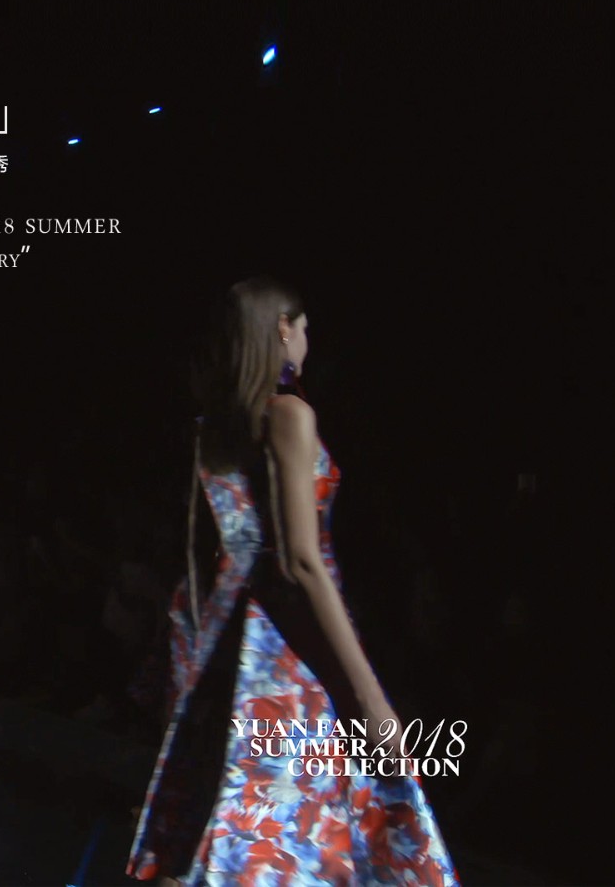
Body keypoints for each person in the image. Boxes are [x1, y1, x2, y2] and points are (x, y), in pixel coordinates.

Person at [127, 277, 455, 884]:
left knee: (244, 835)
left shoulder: (217, 425)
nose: (307, 341)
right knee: (306, 834)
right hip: (290, 651)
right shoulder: (289, 414)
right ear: (282, 328)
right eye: (304, 329)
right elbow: (301, 560)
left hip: (237, 649)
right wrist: (371, 700)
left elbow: (209, 551)